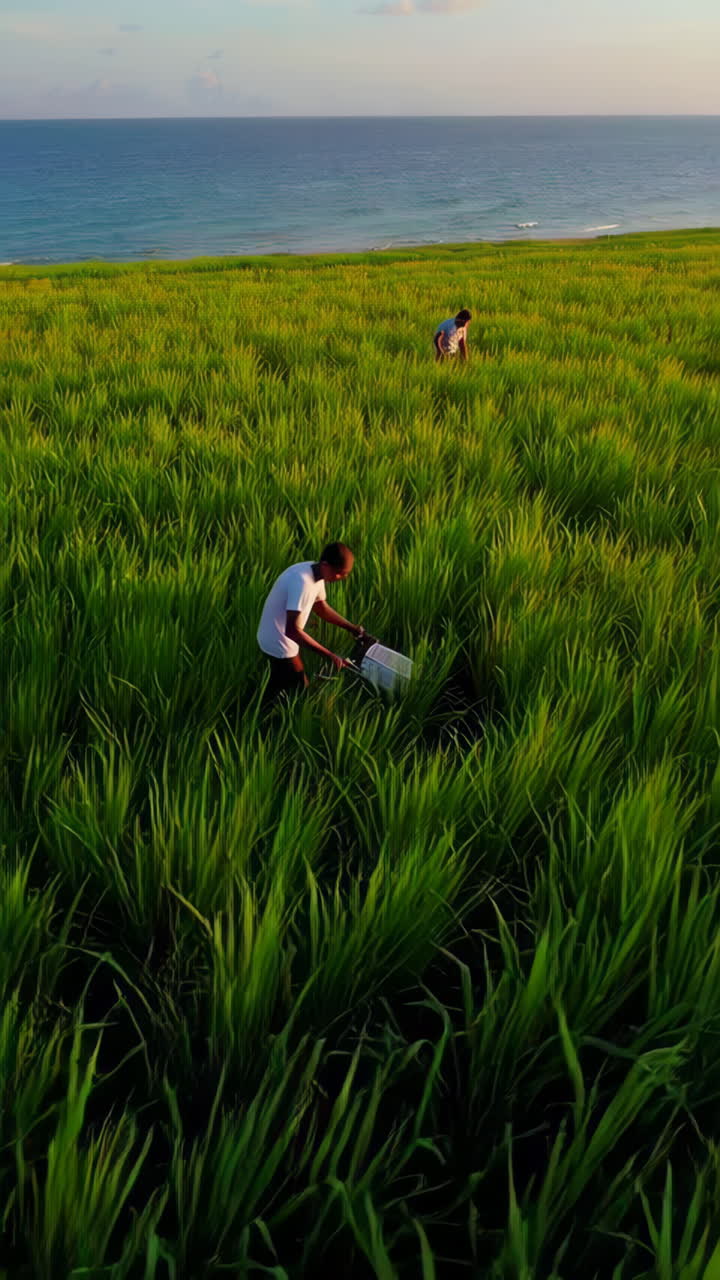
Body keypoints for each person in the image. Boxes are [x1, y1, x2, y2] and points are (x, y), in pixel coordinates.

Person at [257, 542, 366, 701]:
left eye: (346, 574)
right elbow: (292, 631)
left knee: (278, 685)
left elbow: (320, 606)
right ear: (325, 564)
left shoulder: (314, 572)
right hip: (278, 641)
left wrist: (351, 628)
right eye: (340, 573)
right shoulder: (302, 582)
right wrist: (329, 656)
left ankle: (263, 707)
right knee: (302, 689)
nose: (343, 577)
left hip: (276, 636)